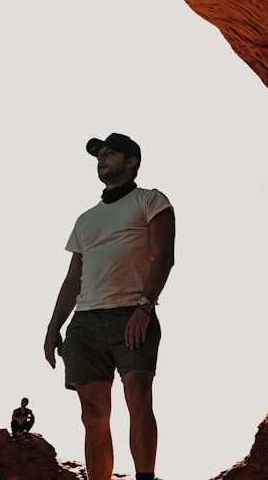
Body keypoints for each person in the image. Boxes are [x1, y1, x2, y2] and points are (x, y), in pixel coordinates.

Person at [44, 132, 175, 480]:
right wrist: (53, 327)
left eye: (110, 153)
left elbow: (165, 257)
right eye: (99, 155)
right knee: (93, 415)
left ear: (131, 161)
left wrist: (144, 309)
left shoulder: (151, 201)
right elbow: (74, 279)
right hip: (85, 323)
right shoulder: (85, 219)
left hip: (131, 314)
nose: (102, 159)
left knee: (139, 398)